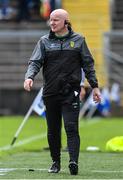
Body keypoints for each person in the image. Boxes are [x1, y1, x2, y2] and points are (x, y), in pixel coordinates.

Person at [24, 9, 101, 175]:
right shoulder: (44, 42)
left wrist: (94, 86)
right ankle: (55, 162)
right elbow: (35, 62)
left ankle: (73, 161)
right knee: (53, 130)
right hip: (50, 92)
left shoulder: (79, 41)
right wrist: (29, 77)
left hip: (71, 93)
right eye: (51, 20)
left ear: (66, 22)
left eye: (56, 20)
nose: (52, 23)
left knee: (71, 127)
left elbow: (88, 65)